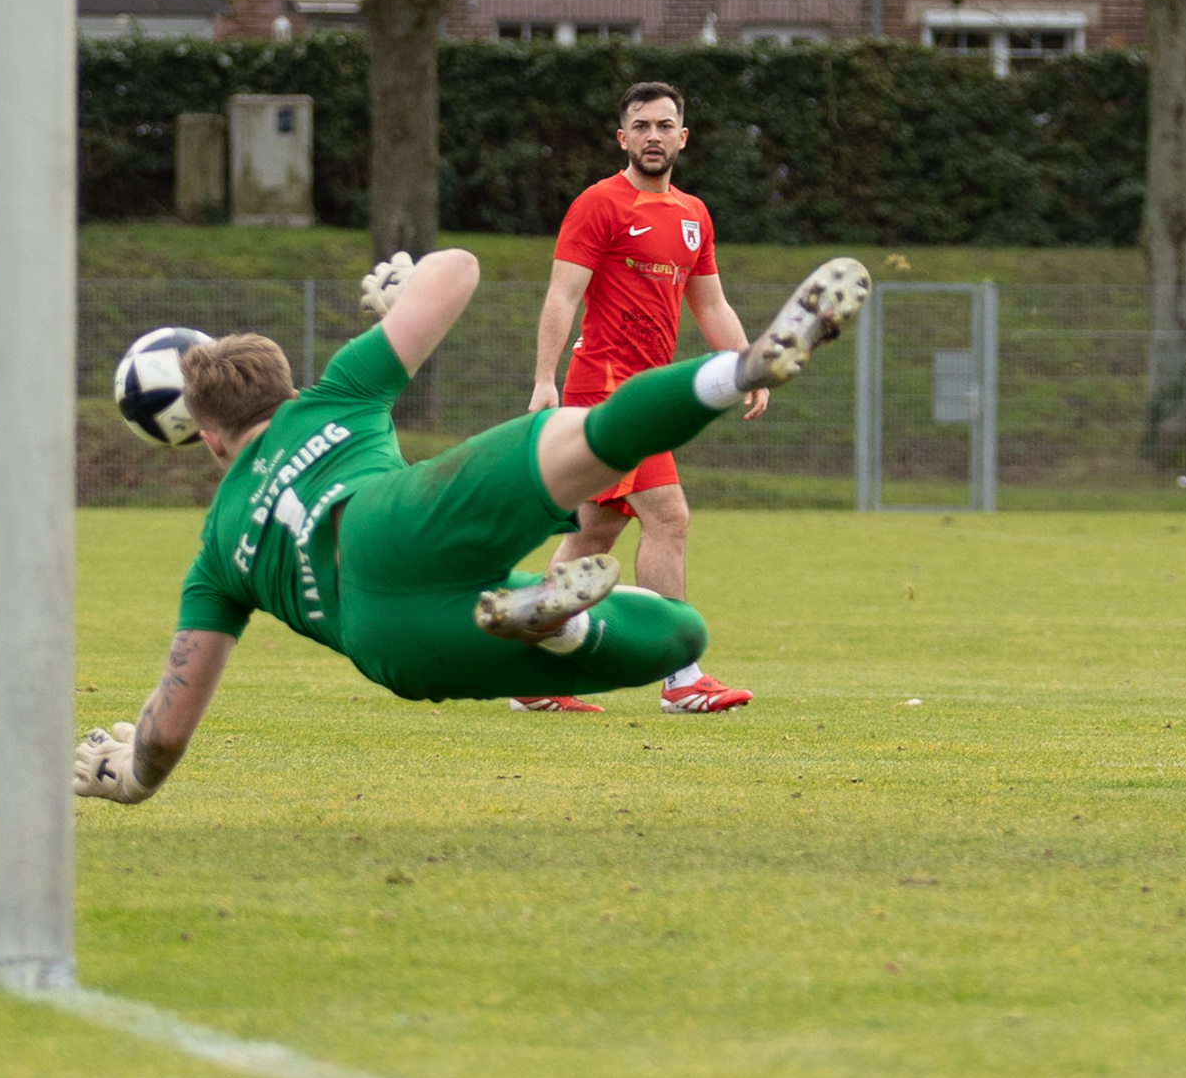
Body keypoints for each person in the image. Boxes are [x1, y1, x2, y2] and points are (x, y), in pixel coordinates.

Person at [70, 252, 874, 807]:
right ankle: (740, 370)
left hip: (391, 641)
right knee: (601, 460)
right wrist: (401, 294)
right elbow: (459, 269)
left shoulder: (219, 548)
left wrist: (130, 775)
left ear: (209, 441)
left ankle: (552, 626)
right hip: (399, 519)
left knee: (671, 633)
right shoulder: (335, 394)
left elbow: (169, 726)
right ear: (285, 389)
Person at [515, 81, 763, 714]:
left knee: (593, 532)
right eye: (642, 126)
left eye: (664, 125)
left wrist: (748, 367)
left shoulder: (694, 214)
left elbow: (711, 304)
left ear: (683, 136)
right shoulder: (598, 203)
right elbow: (562, 295)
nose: (654, 136)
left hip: (647, 392)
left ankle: (530, 671)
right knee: (668, 517)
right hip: (605, 391)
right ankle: (680, 677)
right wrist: (544, 379)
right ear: (622, 137)